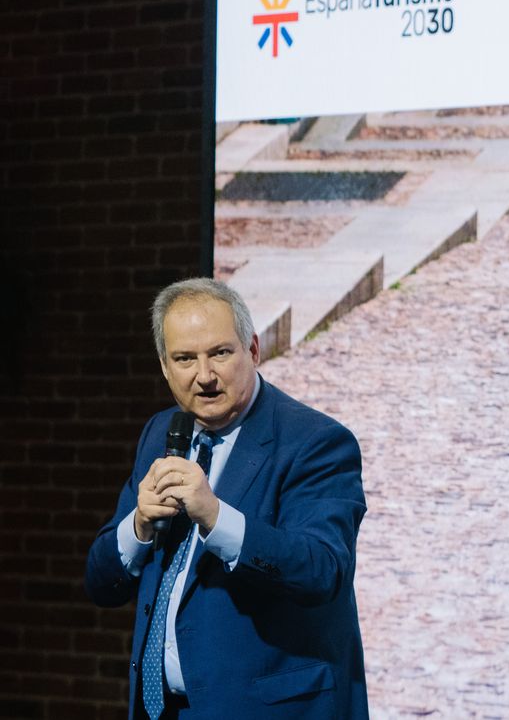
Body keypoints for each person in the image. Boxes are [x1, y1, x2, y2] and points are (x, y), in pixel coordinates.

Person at [85, 278, 369, 719]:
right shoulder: (161, 433)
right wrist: (138, 527)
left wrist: (216, 518)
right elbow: (101, 582)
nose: (204, 376)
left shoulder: (316, 442)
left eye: (220, 353)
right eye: (184, 359)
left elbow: (321, 570)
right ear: (164, 366)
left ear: (253, 351)